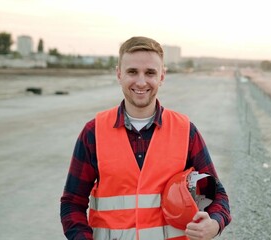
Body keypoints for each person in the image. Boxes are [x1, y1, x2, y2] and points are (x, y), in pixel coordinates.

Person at [60, 36, 231, 240]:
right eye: (132, 72)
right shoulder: (93, 132)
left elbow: (218, 195)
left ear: (162, 76)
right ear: (119, 74)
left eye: (150, 73)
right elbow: (72, 202)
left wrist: (213, 224)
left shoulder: (186, 131)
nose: (141, 82)